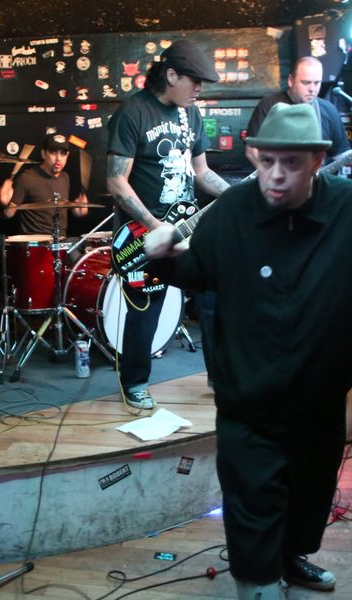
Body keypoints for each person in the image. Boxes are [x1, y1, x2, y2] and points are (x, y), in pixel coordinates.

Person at [142, 102, 352, 599]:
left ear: (317, 160)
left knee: (309, 494)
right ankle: (258, 580)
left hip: (319, 393)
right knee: (251, 496)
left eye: (291, 163)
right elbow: (199, 273)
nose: (276, 175)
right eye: (267, 161)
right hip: (248, 394)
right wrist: (162, 257)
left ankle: (290, 559)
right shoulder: (233, 210)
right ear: (254, 155)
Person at [106, 40, 230, 410]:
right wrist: (154, 223)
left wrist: (235, 194)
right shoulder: (133, 112)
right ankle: (135, 383)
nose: (199, 89)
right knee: (145, 309)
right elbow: (116, 181)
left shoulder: (191, 114)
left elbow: (201, 171)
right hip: (143, 235)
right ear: (171, 75)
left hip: (188, 229)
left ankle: (220, 377)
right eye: (195, 81)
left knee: (215, 297)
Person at [246, 56, 352, 167]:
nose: (312, 89)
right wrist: (273, 176)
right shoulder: (269, 105)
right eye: (306, 82)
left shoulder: (328, 110)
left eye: (317, 83)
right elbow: (252, 150)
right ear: (291, 81)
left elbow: (340, 153)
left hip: (315, 187)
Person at [0, 132, 88, 238]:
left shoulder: (65, 177)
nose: (58, 158)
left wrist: (76, 211)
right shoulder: (27, 178)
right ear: (43, 154)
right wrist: (5, 203)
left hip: (61, 241)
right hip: (35, 243)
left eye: (63, 153)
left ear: (67, 155)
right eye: (53, 152)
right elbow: (8, 214)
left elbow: (59, 209)